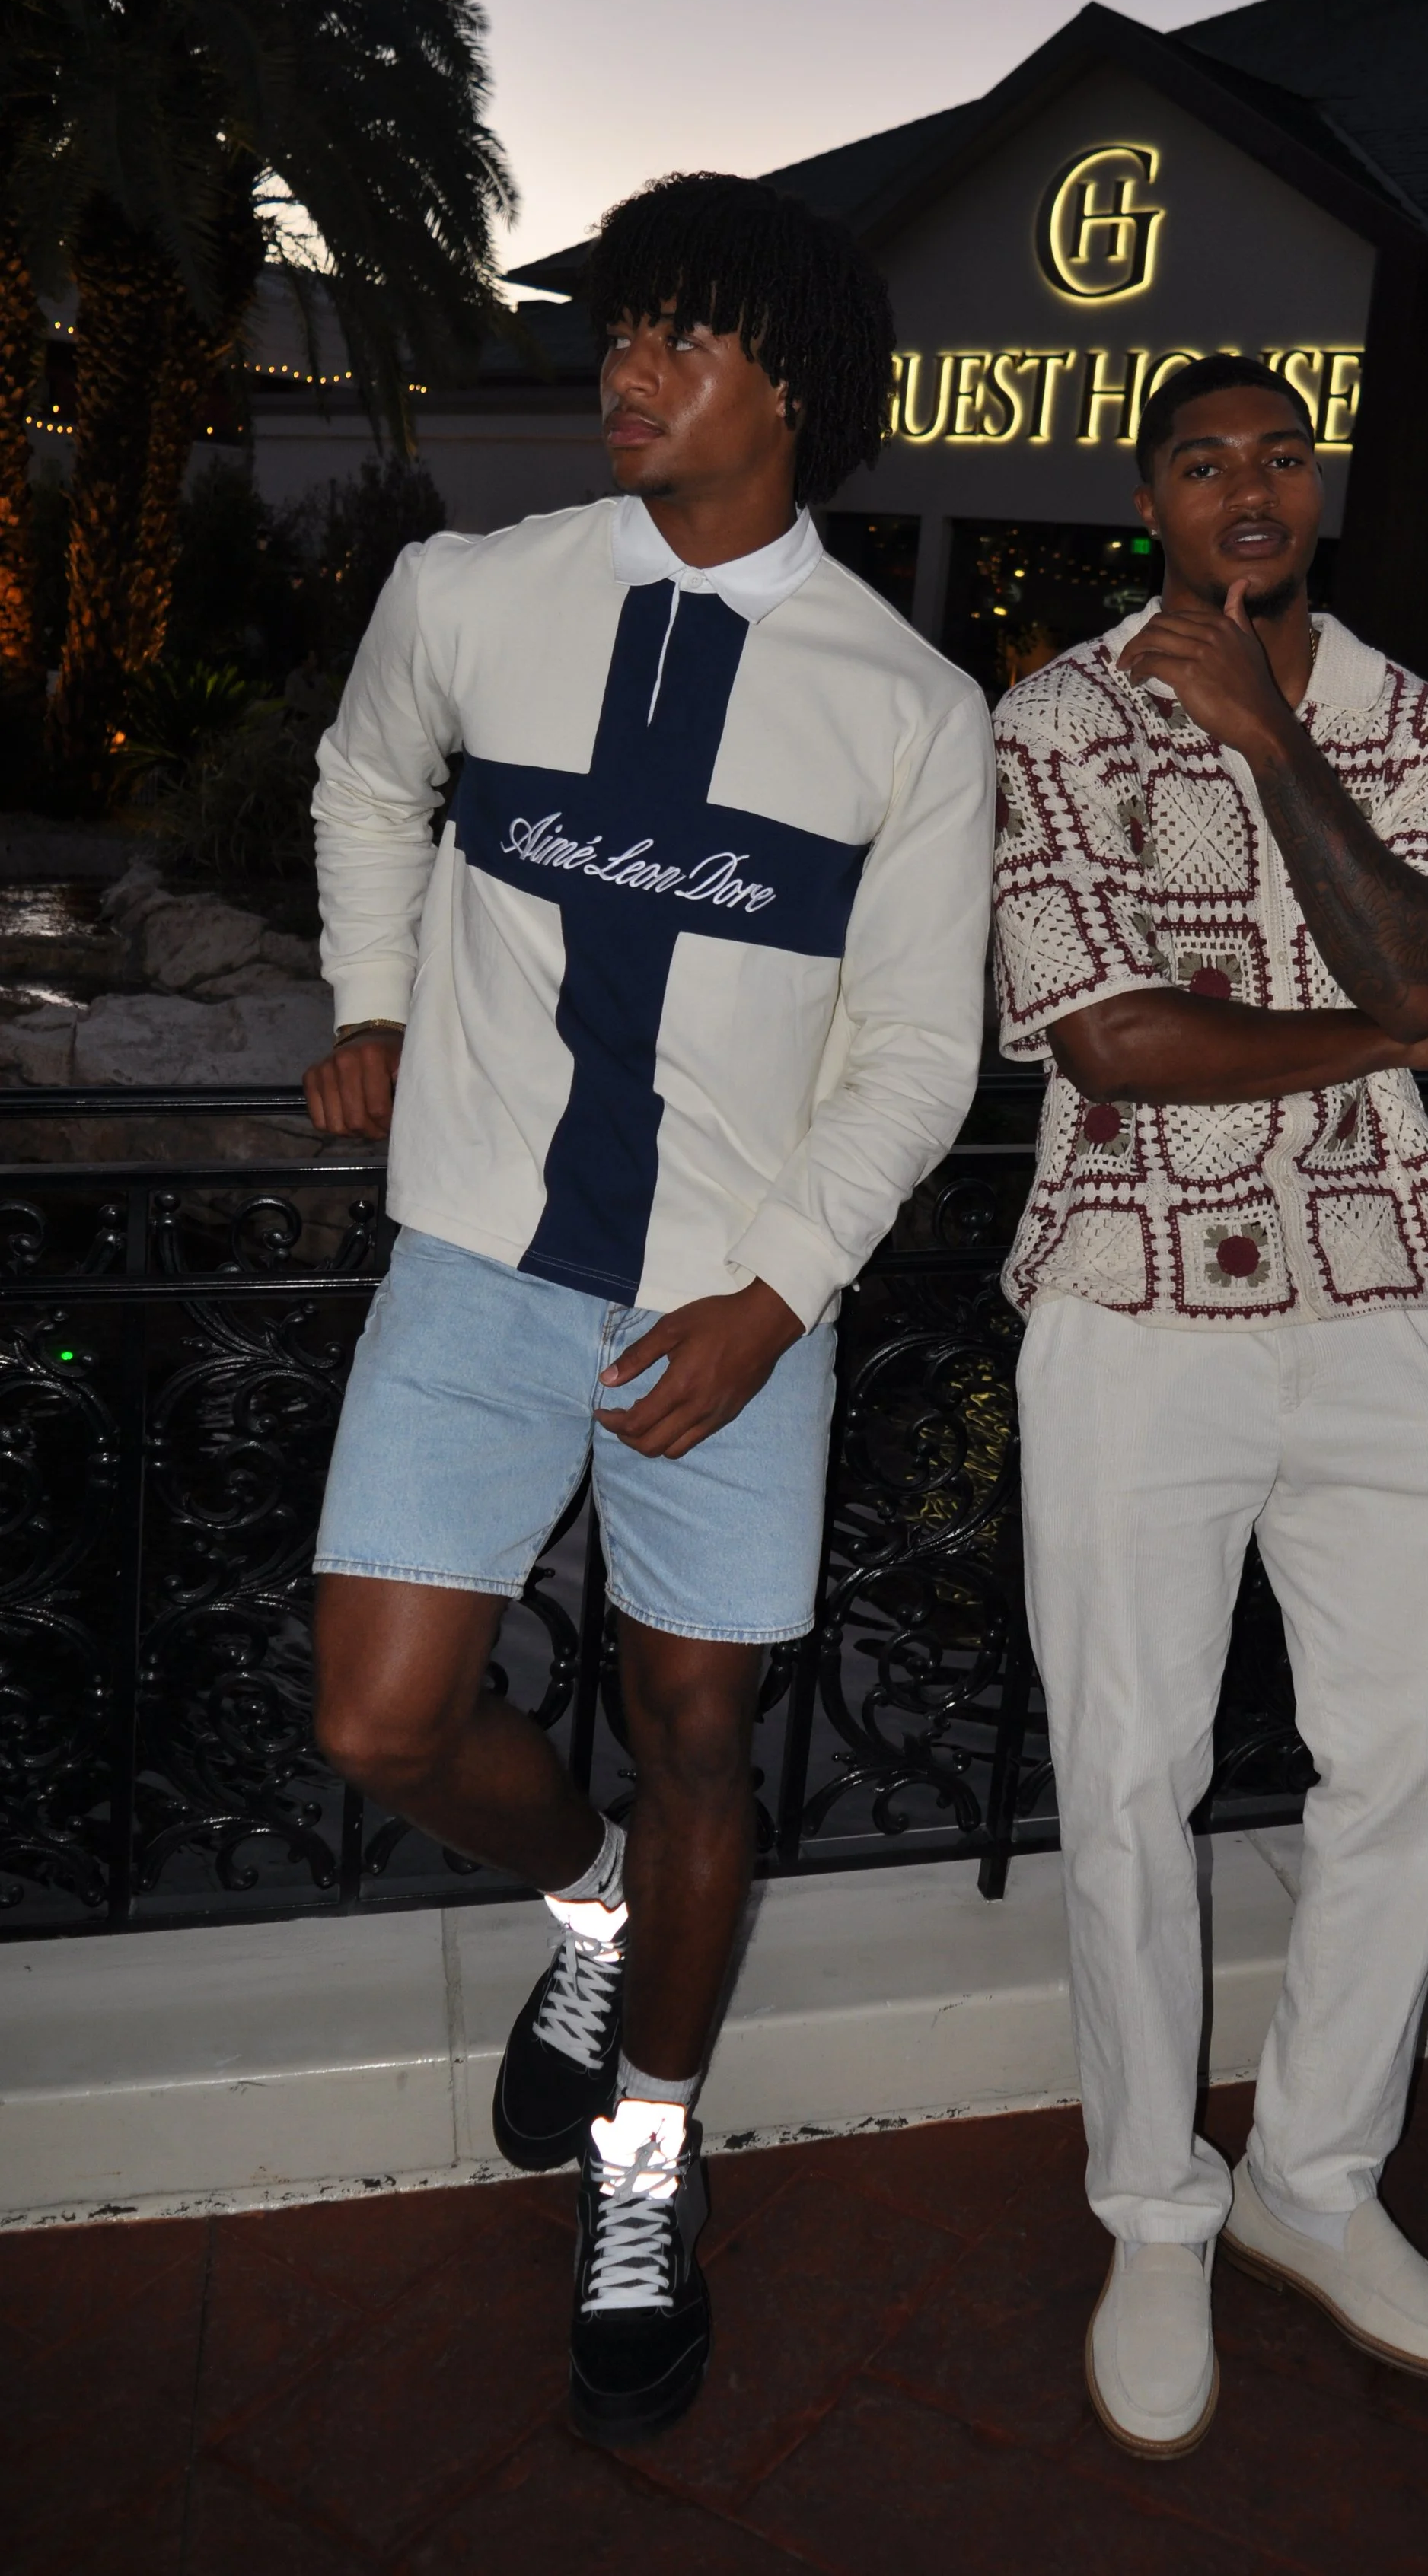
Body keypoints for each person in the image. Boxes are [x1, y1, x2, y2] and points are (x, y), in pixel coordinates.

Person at [301, 172, 994, 2446]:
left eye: (672, 336)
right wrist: (379, 998)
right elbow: (368, 775)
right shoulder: (470, 592)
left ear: (788, 378)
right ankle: (586, 1905)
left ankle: (643, 2159)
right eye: (615, 329)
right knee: (384, 1724)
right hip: (479, 1260)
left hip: (727, 1307)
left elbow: (917, 1053)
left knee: (704, 1736)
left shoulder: (904, 705)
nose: (619, 368)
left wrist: (777, 1298)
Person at [990, 352, 1428, 2458]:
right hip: (1131, 1302)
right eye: (1201, 458)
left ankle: (1313, 2180)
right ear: (1151, 495)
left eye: (1277, 454)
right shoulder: (1047, 723)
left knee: (1410, 1767)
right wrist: (1398, 1036)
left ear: (1317, 489)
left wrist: (1276, 745)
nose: (1248, 486)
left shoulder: (1426, 728)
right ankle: (1152, 2200)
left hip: (1393, 1294)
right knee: (1126, 1775)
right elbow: (1115, 1042)